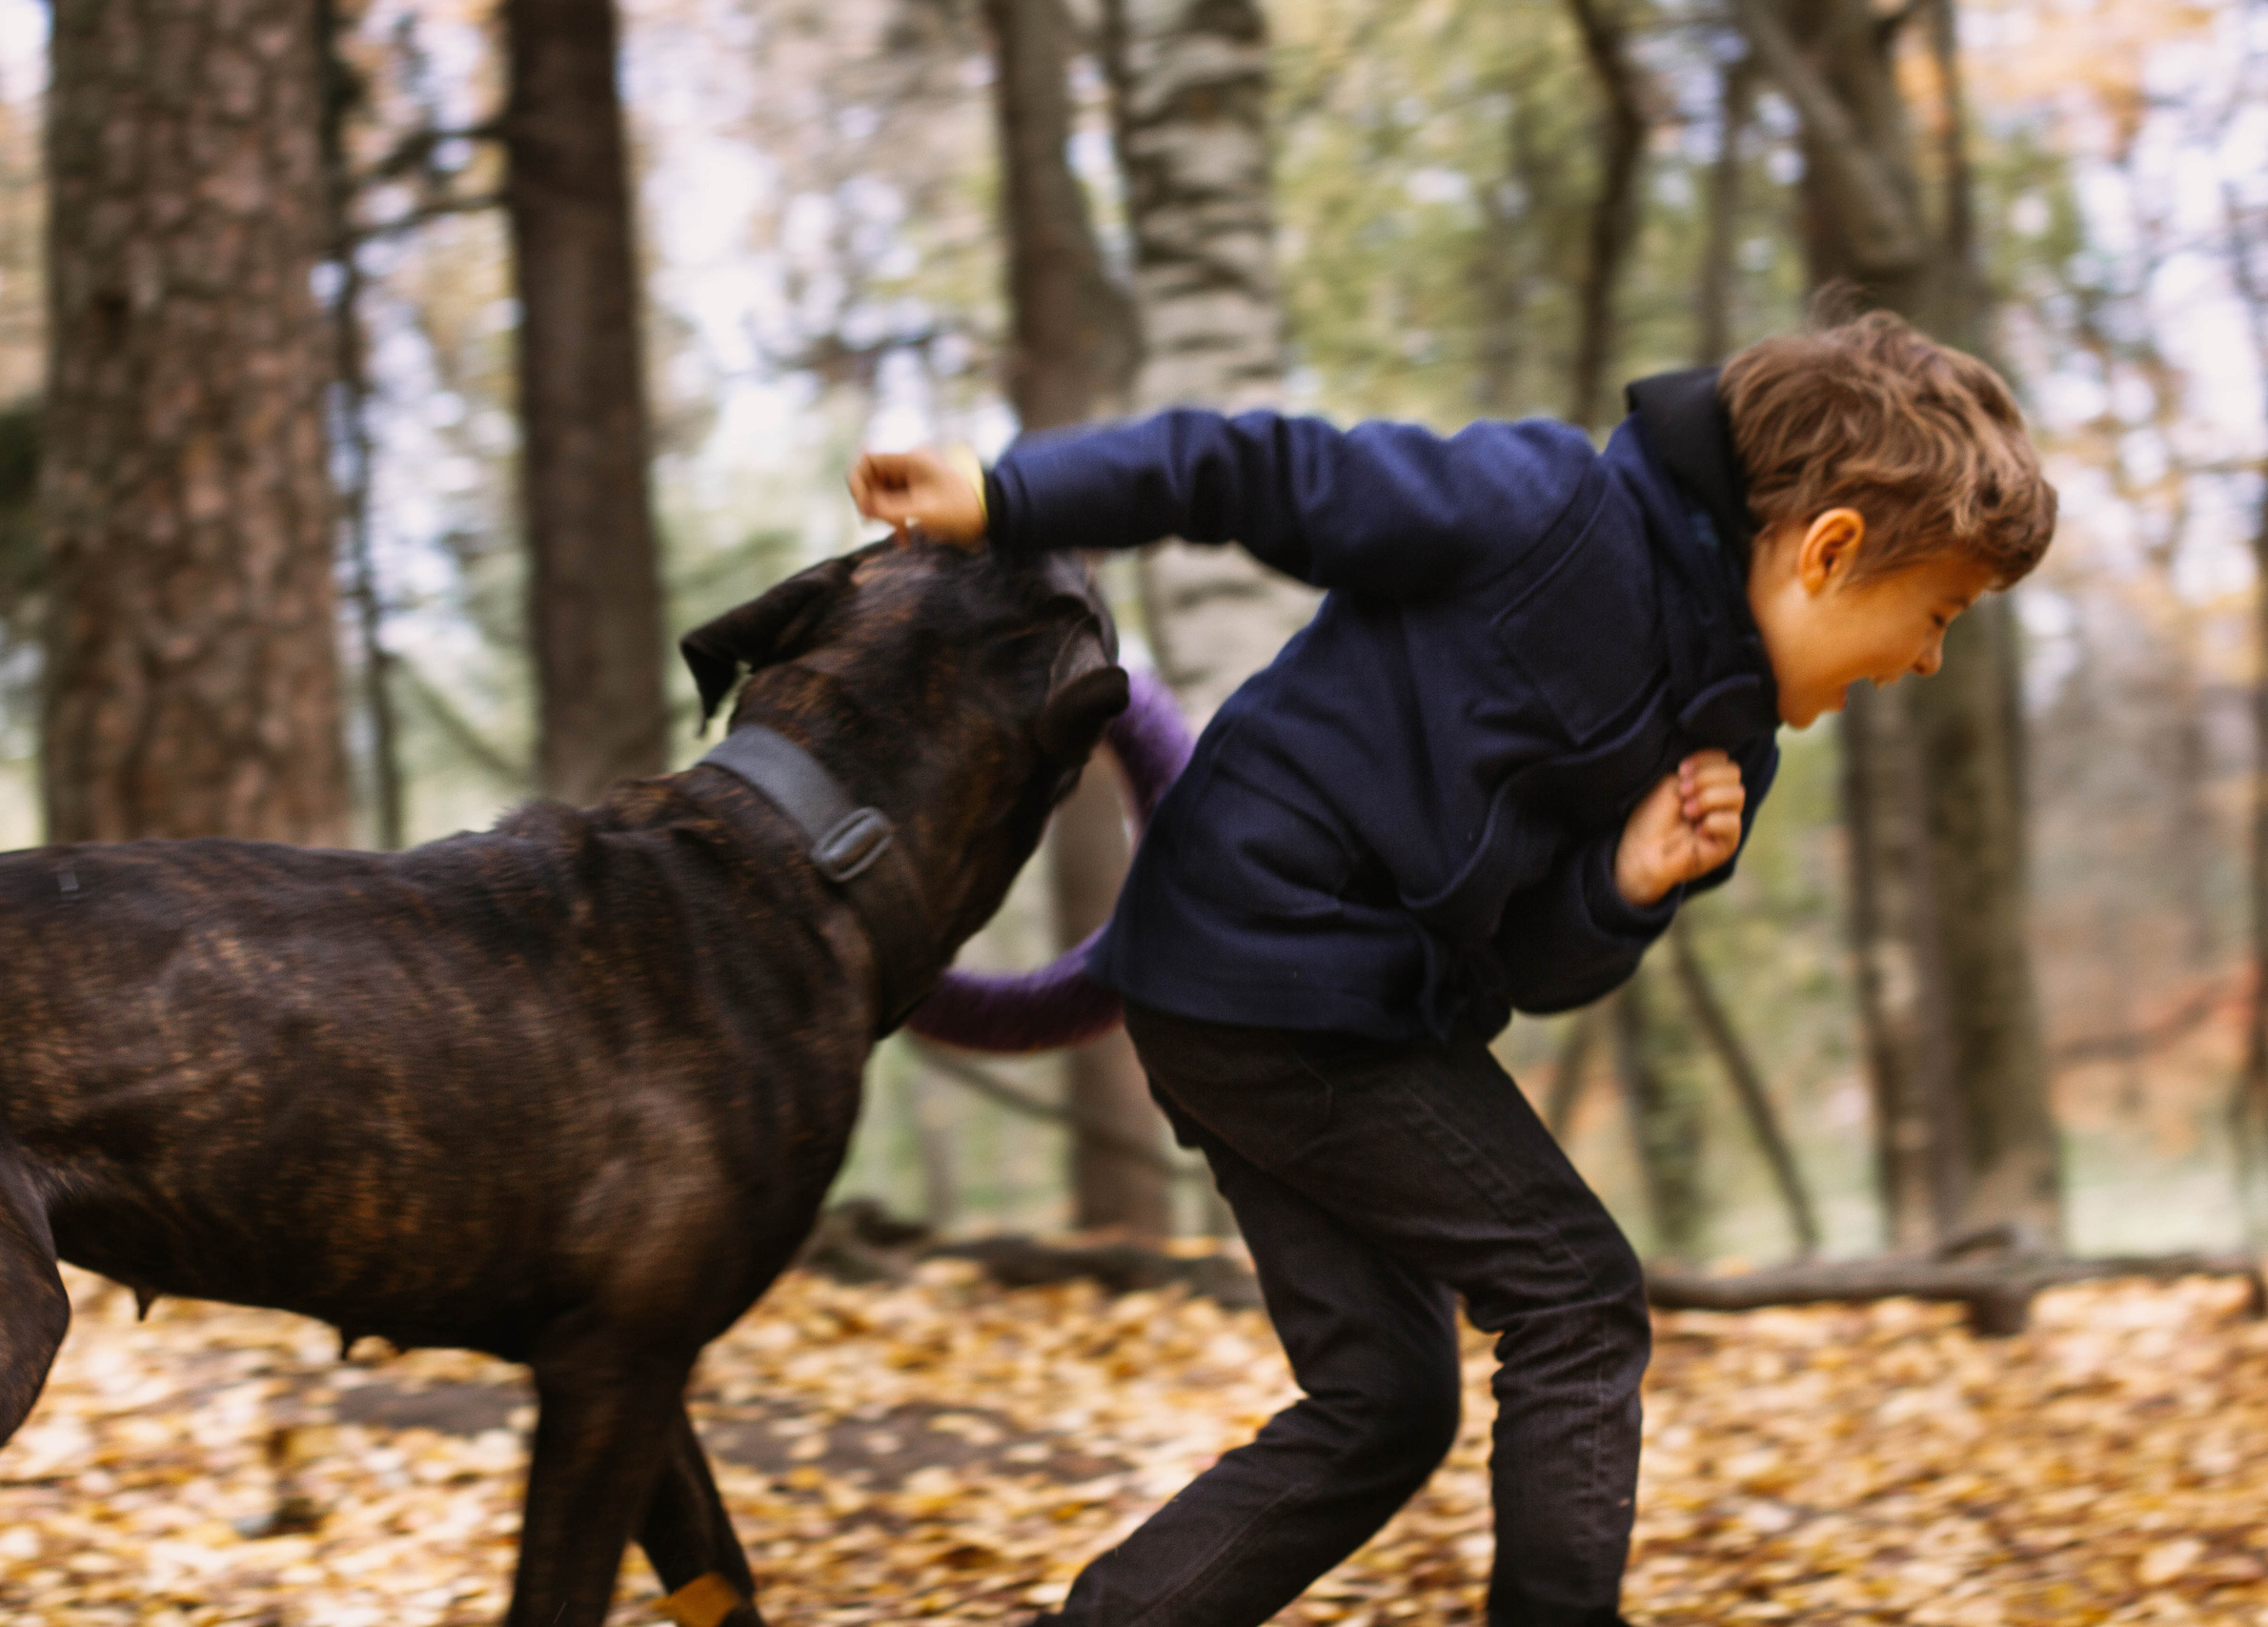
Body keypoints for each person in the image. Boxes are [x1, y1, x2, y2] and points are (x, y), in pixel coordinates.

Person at [845, 310, 2056, 1627]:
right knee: (1580, 1298)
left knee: (1385, 1401)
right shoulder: (1543, 511)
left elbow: (1537, 969)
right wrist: (1016, 492)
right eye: (1936, 611)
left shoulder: (1727, 745)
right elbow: (1262, 470)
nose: (1929, 658)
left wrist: (1620, 885)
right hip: (1274, 952)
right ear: (1829, 551)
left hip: (1287, 1002)